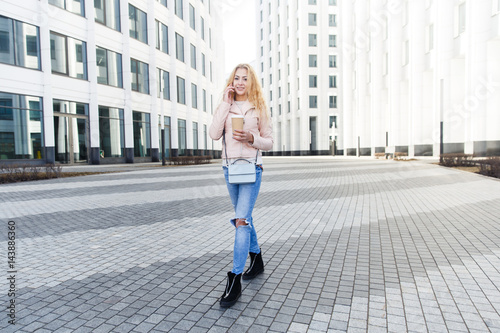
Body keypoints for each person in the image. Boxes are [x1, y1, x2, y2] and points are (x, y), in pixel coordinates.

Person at [209, 63, 273, 308]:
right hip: (229, 170)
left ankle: (234, 279)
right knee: (244, 217)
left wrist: (252, 138)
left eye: (245, 78)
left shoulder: (258, 108)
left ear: (251, 82)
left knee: (241, 221)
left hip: (251, 170)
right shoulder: (226, 106)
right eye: (237, 78)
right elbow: (214, 134)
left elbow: (269, 142)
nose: (240, 82)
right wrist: (225, 104)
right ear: (232, 81)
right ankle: (256, 260)